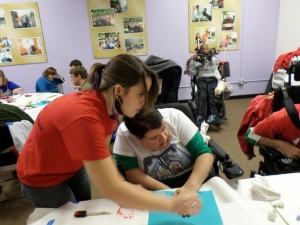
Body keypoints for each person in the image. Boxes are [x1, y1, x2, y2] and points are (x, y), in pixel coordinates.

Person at [17, 54, 201, 216]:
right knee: (66, 220)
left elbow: (103, 155)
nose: (144, 102)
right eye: (141, 94)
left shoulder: (109, 107)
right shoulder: (85, 117)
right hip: (43, 175)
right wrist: (170, 205)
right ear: (119, 90)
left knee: (83, 213)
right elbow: (111, 189)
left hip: (73, 165)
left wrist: (122, 185)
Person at [113, 107, 214, 190]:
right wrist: (170, 193)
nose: (163, 138)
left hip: (195, 176)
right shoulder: (124, 136)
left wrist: (189, 189)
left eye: (163, 128)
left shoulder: (174, 117)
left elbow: (204, 155)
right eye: (154, 137)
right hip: (155, 186)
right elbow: (133, 174)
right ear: (137, 138)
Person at [188, 44, 221, 125]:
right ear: (200, 51)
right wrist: (192, 61)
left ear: (209, 49)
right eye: (203, 49)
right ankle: (200, 115)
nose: (205, 50)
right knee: (202, 94)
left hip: (212, 78)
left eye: (206, 49)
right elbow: (193, 72)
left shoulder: (213, 58)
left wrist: (209, 58)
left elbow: (215, 65)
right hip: (202, 79)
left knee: (210, 92)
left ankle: (213, 114)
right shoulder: (197, 60)